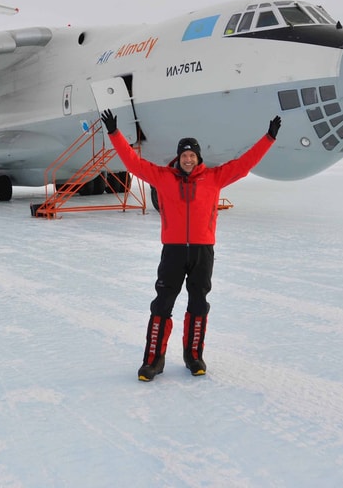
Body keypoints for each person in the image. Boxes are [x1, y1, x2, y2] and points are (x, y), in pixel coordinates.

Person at [100, 108, 280, 381]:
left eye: (192, 155)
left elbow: (244, 164)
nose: (188, 159)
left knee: (198, 303)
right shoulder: (163, 177)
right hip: (172, 251)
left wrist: (268, 138)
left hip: (202, 252)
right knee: (162, 305)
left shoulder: (215, 177)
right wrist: (114, 133)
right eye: (184, 155)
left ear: (198, 158)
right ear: (178, 157)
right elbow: (133, 162)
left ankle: (193, 355)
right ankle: (153, 360)